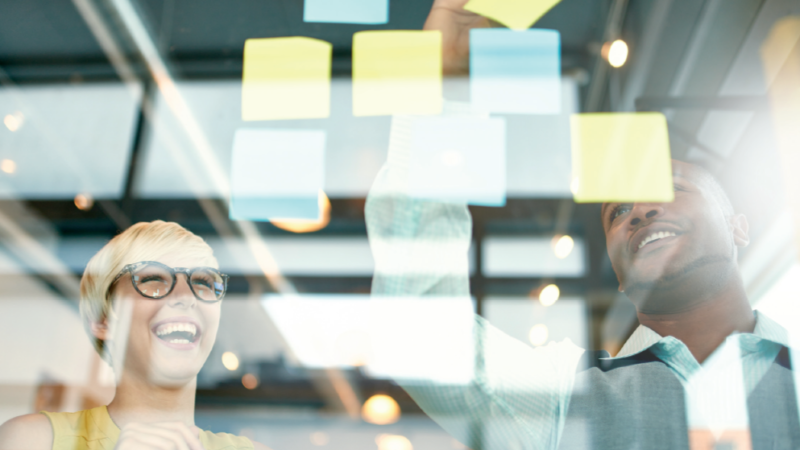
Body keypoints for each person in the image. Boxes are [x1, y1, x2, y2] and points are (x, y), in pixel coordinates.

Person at [364, 4, 800, 447]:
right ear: (619, 277)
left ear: (738, 227)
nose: (640, 210)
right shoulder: (561, 395)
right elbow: (418, 335)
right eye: (618, 211)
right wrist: (447, 91)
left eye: (671, 187)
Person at [0, 221, 270, 450]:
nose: (187, 296)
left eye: (203, 282)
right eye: (153, 279)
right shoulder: (32, 441)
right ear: (103, 320)